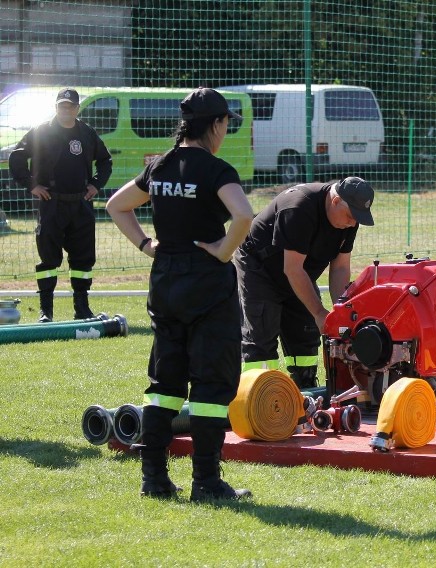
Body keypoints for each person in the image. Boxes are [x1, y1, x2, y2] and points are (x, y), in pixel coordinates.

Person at [106, 88, 254, 501]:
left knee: (164, 382)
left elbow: (117, 206)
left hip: (165, 282)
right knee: (211, 384)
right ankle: (206, 482)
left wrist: (145, 244)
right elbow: (243, 215)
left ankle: (153, 479)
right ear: (217, 125)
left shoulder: (160, 166)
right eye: (226, 124)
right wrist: (225, 251)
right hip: (207, 284)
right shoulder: (216, 170)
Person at [235, 176, 375, 388]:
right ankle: (259, 394)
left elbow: (340, 267)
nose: (353, 222)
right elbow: (292, 269)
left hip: (299, 272)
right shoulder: (299, 207)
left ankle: (307, 390)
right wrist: (319, 313)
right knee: (261, 336)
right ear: (336, 201)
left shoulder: (349, 219)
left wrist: (340, 312)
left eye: (357, 218)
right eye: (350, 216)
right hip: (260, 268)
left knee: (305, 334)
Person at [8, 87, 112, 322]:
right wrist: (31, 185)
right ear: (56, 107)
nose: (66, 109)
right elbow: (17, 157)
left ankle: (82, 309)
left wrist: (96, 184)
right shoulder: (42, 131)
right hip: (51, 204)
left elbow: (105, 161)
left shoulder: (86, 133)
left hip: (81, 204)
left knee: (83, 259)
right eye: (62, 106)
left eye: (71, 106)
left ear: (77, 108)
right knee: (48, 258)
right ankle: (46, 311)